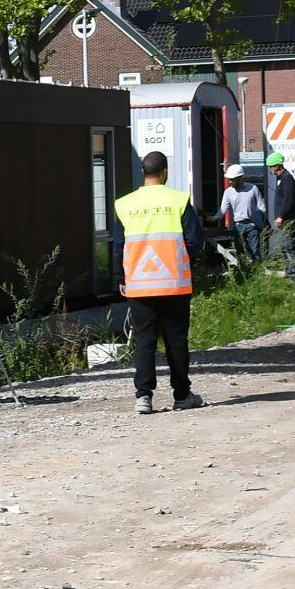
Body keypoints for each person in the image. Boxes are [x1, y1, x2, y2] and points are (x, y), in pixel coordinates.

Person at [115, 149, 204, 415]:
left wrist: (121, 279)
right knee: (176, 340)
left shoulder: (125, 204)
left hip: (139, 285)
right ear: (165, 173)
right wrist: (185, 262)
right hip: (174, 283)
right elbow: (195, 242)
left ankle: (143, 397)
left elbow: (119, 246)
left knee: (144, 341)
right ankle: (181, 395)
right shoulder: (178, 200)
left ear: (143, 172)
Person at [264, 151, 295, 283]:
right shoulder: (281, 178)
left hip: (288, 218)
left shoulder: (286, 178)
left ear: (277, 165)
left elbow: (288, 200)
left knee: (289, 246)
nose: (270, 169)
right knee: (285, 246)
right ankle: (290, 271)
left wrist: (281, 216)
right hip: (285, 219)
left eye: (271, 166)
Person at [219, 161, 267, 264]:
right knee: (240, 253)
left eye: (232, 180)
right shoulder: (228, 192)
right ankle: (245, 274)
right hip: (238, 226)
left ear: (240, 178)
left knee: (255, 252)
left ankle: (258, 273)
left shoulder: (253, 188)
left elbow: (261, 207)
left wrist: (258, 222)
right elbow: (223, 210)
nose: (230, 182)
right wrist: (213, 218)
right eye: (229, 180)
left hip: (251, 226)